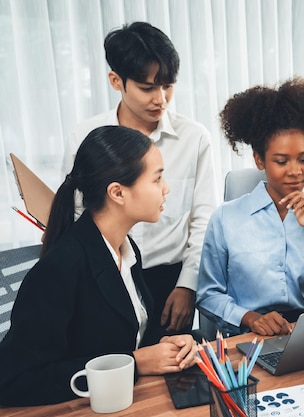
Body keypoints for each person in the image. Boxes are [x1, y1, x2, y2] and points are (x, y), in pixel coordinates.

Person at [0, 126, 198, 406]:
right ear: (118, 192)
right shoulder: (61, 268)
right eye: (157, 179)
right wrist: (135, 363)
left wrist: (167, 345)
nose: (166, 189)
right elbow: (13, 381)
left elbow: (129, 331)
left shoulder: (127, 250)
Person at [62, 22, 219, 340]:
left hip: (170, 282)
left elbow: (205, 221)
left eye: (168, 86)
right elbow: (76, 214)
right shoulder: (88, 136)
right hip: (105, 279)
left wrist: (187, 285)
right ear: (116, 81)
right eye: (148, 88)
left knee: (172, 377)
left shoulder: (194, 137)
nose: (161, 99)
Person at [196, 77, 304, 338]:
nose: (296, 172)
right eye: (281, 161)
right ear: (259, 160)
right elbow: (208, 296)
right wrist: (250, 318)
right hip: (248, 338)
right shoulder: (226, 219)